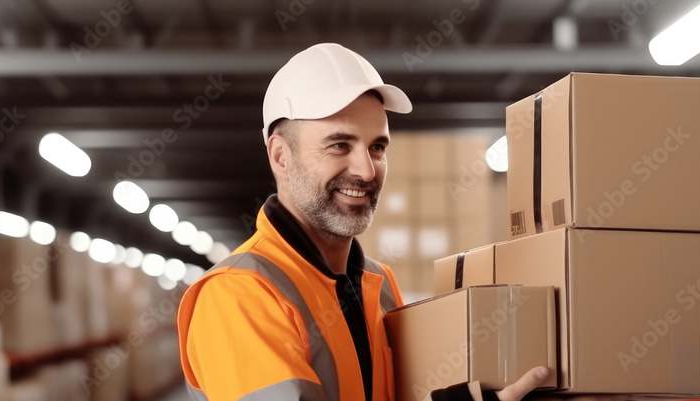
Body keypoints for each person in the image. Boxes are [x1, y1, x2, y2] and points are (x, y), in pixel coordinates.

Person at [175, 43, 549, 401]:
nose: (367, 170)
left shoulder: (379, 283)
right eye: (340, 145)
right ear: (280, 156)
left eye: (377, 147)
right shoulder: (239, 295)